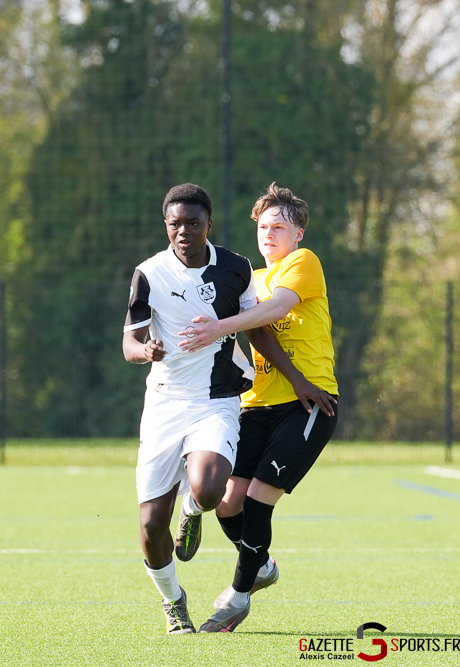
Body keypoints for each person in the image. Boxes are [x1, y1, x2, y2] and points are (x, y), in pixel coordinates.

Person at [122, 183, 331, 634]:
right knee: (211, 509)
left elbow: (268, 316)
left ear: (299, 234)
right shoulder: (248, 274)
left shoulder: (295, 263)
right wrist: (146, 350)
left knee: (242, 499)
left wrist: (223, 329)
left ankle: (237, 596)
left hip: (291, 401)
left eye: (279, 227)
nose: (269, 234)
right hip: (234, 403)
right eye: (263, 226)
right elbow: (130, 340)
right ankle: (244, 570)